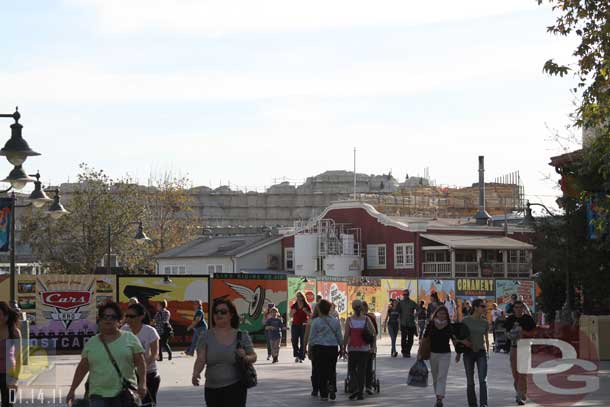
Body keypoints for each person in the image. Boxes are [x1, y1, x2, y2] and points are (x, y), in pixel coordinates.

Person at [67, 302, 147, 407]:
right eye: (105, 316)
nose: (108, 319)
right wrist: (72, 389)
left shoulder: (130, 338)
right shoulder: (92, 343)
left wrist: (142, 384)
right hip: (98, 395)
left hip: (124, 394)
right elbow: (82, 367)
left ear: (119, 321)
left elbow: (141, 363)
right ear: (99, 320)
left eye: (113, 317)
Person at [192, 298, 257, 407]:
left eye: (223, 312)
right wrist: (196, 373)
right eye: (216, 312)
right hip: (211, 389)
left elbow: (253, 356)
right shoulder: (205, 336)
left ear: (231, 315)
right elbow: (201, 358)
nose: (219, 314)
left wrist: (245, 357)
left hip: (236, 388)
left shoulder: (241, 335)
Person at [122, 303, 161, 407]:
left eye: (132, 316)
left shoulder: (150, 331)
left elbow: (155, 354)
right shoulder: (124, 330)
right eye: (127, 316)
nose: (128, 319)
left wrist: (142, 367)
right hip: (129, 376)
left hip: (149, 375)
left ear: (141, 316)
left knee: (147, 404)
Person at [306, 300, 343, 401]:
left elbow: (312, 337)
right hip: (332, 348)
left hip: (319, 348)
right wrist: (342, 348)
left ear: (319, 309)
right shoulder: (335, 321)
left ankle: (324, 394)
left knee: (321, 371)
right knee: (331, 369)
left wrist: (309, 349)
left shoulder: (316, 321)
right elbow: (339, 336)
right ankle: (332, 386)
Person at [418, 305, 455, 407]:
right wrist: (419, 352)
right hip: (433, 353)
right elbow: (424, 338)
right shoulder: (431, 324)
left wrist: (459, 352)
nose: (442, 315)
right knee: (435, 377)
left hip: (446, 354)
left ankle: (439, 398)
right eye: (440, 313)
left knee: (442, 377)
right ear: (436, 314)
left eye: (444, 313)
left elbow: (454, 339)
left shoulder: (449, 325)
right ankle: (437, 396)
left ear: (446, 315)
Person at [456, 298, 490, 407]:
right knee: (470, 381)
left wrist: (488, 351)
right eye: (482, 306)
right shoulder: (465, 320)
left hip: (481, 353)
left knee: (482, 380)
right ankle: (472, 404)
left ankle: (483, 404)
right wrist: (459, 351)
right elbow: (457, 337)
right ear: (475, 307)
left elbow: (486, 338)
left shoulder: (485, 322)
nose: (485, 308)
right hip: (468, 353)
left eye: (485, 306)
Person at [343, 299, 376, 401]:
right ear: (362, 308)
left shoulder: (349, 320)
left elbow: (346, 335)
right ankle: (360, 393)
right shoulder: (366, 319)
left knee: (352, 369)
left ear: (352, 308)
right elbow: (373, 332)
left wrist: (343, 348)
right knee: (362, 371)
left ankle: (356, 387)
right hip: (364, 349)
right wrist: (373, 346)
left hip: (353, 348)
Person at [505, 301, 536, 405]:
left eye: (520, 307)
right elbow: (506, 333)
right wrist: (511, 334)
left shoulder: (528, 319)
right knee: (516, 374)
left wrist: (524, 332)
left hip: (525, 347)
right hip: (514, 348)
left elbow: (534, 333)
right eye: (516, 307)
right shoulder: (510, 319)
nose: (518, 309)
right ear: (513, 309)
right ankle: (519, 392)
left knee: (523, 374)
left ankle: (522, 396)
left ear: (523, 308)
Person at [0, 302, 22, 407]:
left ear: (6, 316)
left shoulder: (14, 332)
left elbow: (19, 357)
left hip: (9, 374)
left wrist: (15, 379)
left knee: (8, 404)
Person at [290, 291, 312, 363]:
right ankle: (297, 354)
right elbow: (290, 315)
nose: (299, 298)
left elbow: (310, 315)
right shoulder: (294, 306)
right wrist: (292, 312)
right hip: (295, 325)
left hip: (303, 325)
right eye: (298, 296)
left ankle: (301, 356)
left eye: (300, 296)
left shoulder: (306, 305)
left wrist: (306, 312)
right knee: (294, 340)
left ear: (303, 297)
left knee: (303, 341)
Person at [362, 301, 378, 395]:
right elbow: (375, 332)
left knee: (365, 366)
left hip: (365, 346)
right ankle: (366, 386)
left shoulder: (369, 318)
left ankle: (365, 385)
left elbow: (374, 333)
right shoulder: (370, 318)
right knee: (368, 366)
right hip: (366, 346)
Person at [304, 305, 321, 396]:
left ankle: (315, 388)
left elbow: (306, 336)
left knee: (315, 368)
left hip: (313, 346)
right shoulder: (328, 321)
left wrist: (304, 347)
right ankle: (324, 386)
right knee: (324, 368)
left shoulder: (311, 321)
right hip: (325, 347)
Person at [397, 289, 417, 358]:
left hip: (411, 323)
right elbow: (397, 312)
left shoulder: (412, 303)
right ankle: (404, 351)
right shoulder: (400, 303)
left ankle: (408, 351)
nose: (405, 296)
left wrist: (415, 315)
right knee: (403, 338)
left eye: (406, 294)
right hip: (403, 323)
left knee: (411, 339)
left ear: (408, 295)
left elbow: (419, 310)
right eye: (404, 295)